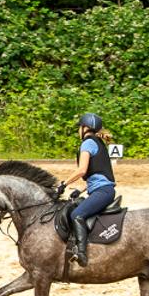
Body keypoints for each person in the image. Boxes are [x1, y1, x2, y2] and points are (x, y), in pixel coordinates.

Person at [61, 112, 117, 267]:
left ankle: (81, 253)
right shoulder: (99, 142)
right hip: (103, 189)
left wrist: (63, 184)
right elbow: (97, 174)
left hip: (103, 192)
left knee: (77, 215)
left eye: (80, 127)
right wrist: (81, 190)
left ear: (84, 128)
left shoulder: (87, 143)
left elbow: (82, 170)